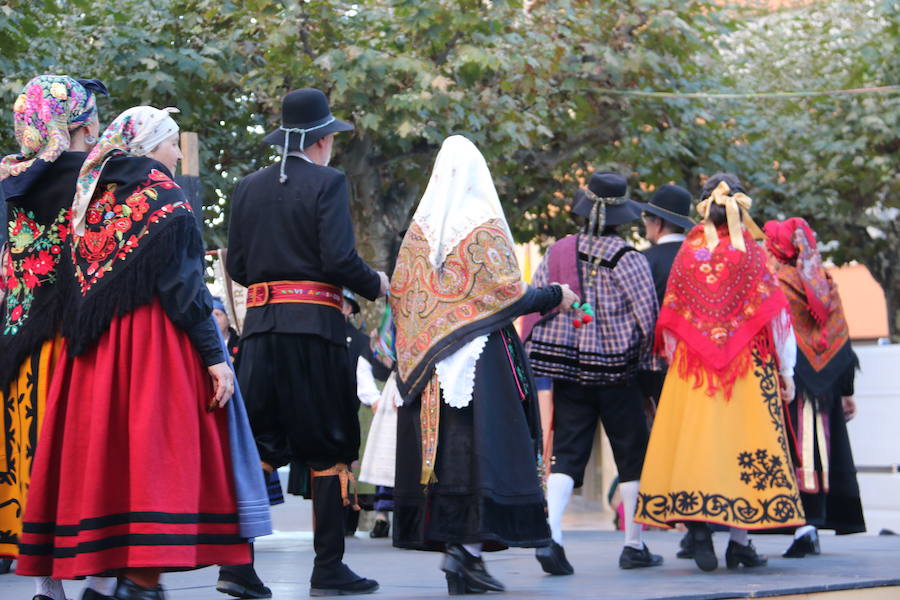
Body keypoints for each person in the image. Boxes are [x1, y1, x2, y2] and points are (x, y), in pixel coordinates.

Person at [16, 106, 251, 600]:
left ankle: (109, 579)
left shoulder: (91, 203)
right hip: (154, 349)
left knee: (105, 457)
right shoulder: (165, 197)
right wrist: (214, 357)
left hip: (93, 357)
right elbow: (185, 289)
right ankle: (140, 585)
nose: (173, 153)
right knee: (154, 455)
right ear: (147, 148)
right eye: (168, 143)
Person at [390, 135, 578, 595]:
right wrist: (558, 295)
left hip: (432, 367)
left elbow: (402, 294)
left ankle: (459, 553)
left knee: (449, 455)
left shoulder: (420, 234)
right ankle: (466, 556)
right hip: (483, 360)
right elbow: (511, 296)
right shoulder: (483, 225)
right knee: (483, 455)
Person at [226, 88, 388, 597]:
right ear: (321, 141)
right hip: (315, 332)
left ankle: (237, 567)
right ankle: (329, 567)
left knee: (259, 445)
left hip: (260, 332)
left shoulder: (246, 187)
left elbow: (237, 265)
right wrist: (375, 284)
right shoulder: (329, 182)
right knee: (328, 445)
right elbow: (339, 259)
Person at [635, 173, 806, 572]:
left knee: (698, 447)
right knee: (741, 448)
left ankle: (697, 532)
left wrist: (685, 360)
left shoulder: (689, 252)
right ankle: (739, 543)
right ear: (741, 207)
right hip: (747, 368)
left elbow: (674, 318)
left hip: (692, 371)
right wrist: (787, 370)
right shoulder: (751, 252)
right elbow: (777, 318)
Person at [0, 74, 119, 600]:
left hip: (21, 340)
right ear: (81, 122)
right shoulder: (99, 176)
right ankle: (97, 574)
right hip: (81, 339)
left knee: (34, 456)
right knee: (86, 454)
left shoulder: (12, 176)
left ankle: (49, 586)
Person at [527, 172, 661, 574]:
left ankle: (552, 536)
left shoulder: (557, 253)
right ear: (622, 215)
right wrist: (643, 364)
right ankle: (633, 545)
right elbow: (647, 317)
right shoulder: (629, 258)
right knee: (632, 455)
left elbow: (538, 301)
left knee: (567, 455)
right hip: (619, 372)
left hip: (567, 368)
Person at [763, 217, 865, 555]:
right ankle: (813, 525)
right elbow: (842, 339)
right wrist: (846, 390)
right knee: (820, 454)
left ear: (779, 247)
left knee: (794, 453)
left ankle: (801, 527)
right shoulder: (822, 282)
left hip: (789, 384)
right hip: (827, 389)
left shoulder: (775, 283)